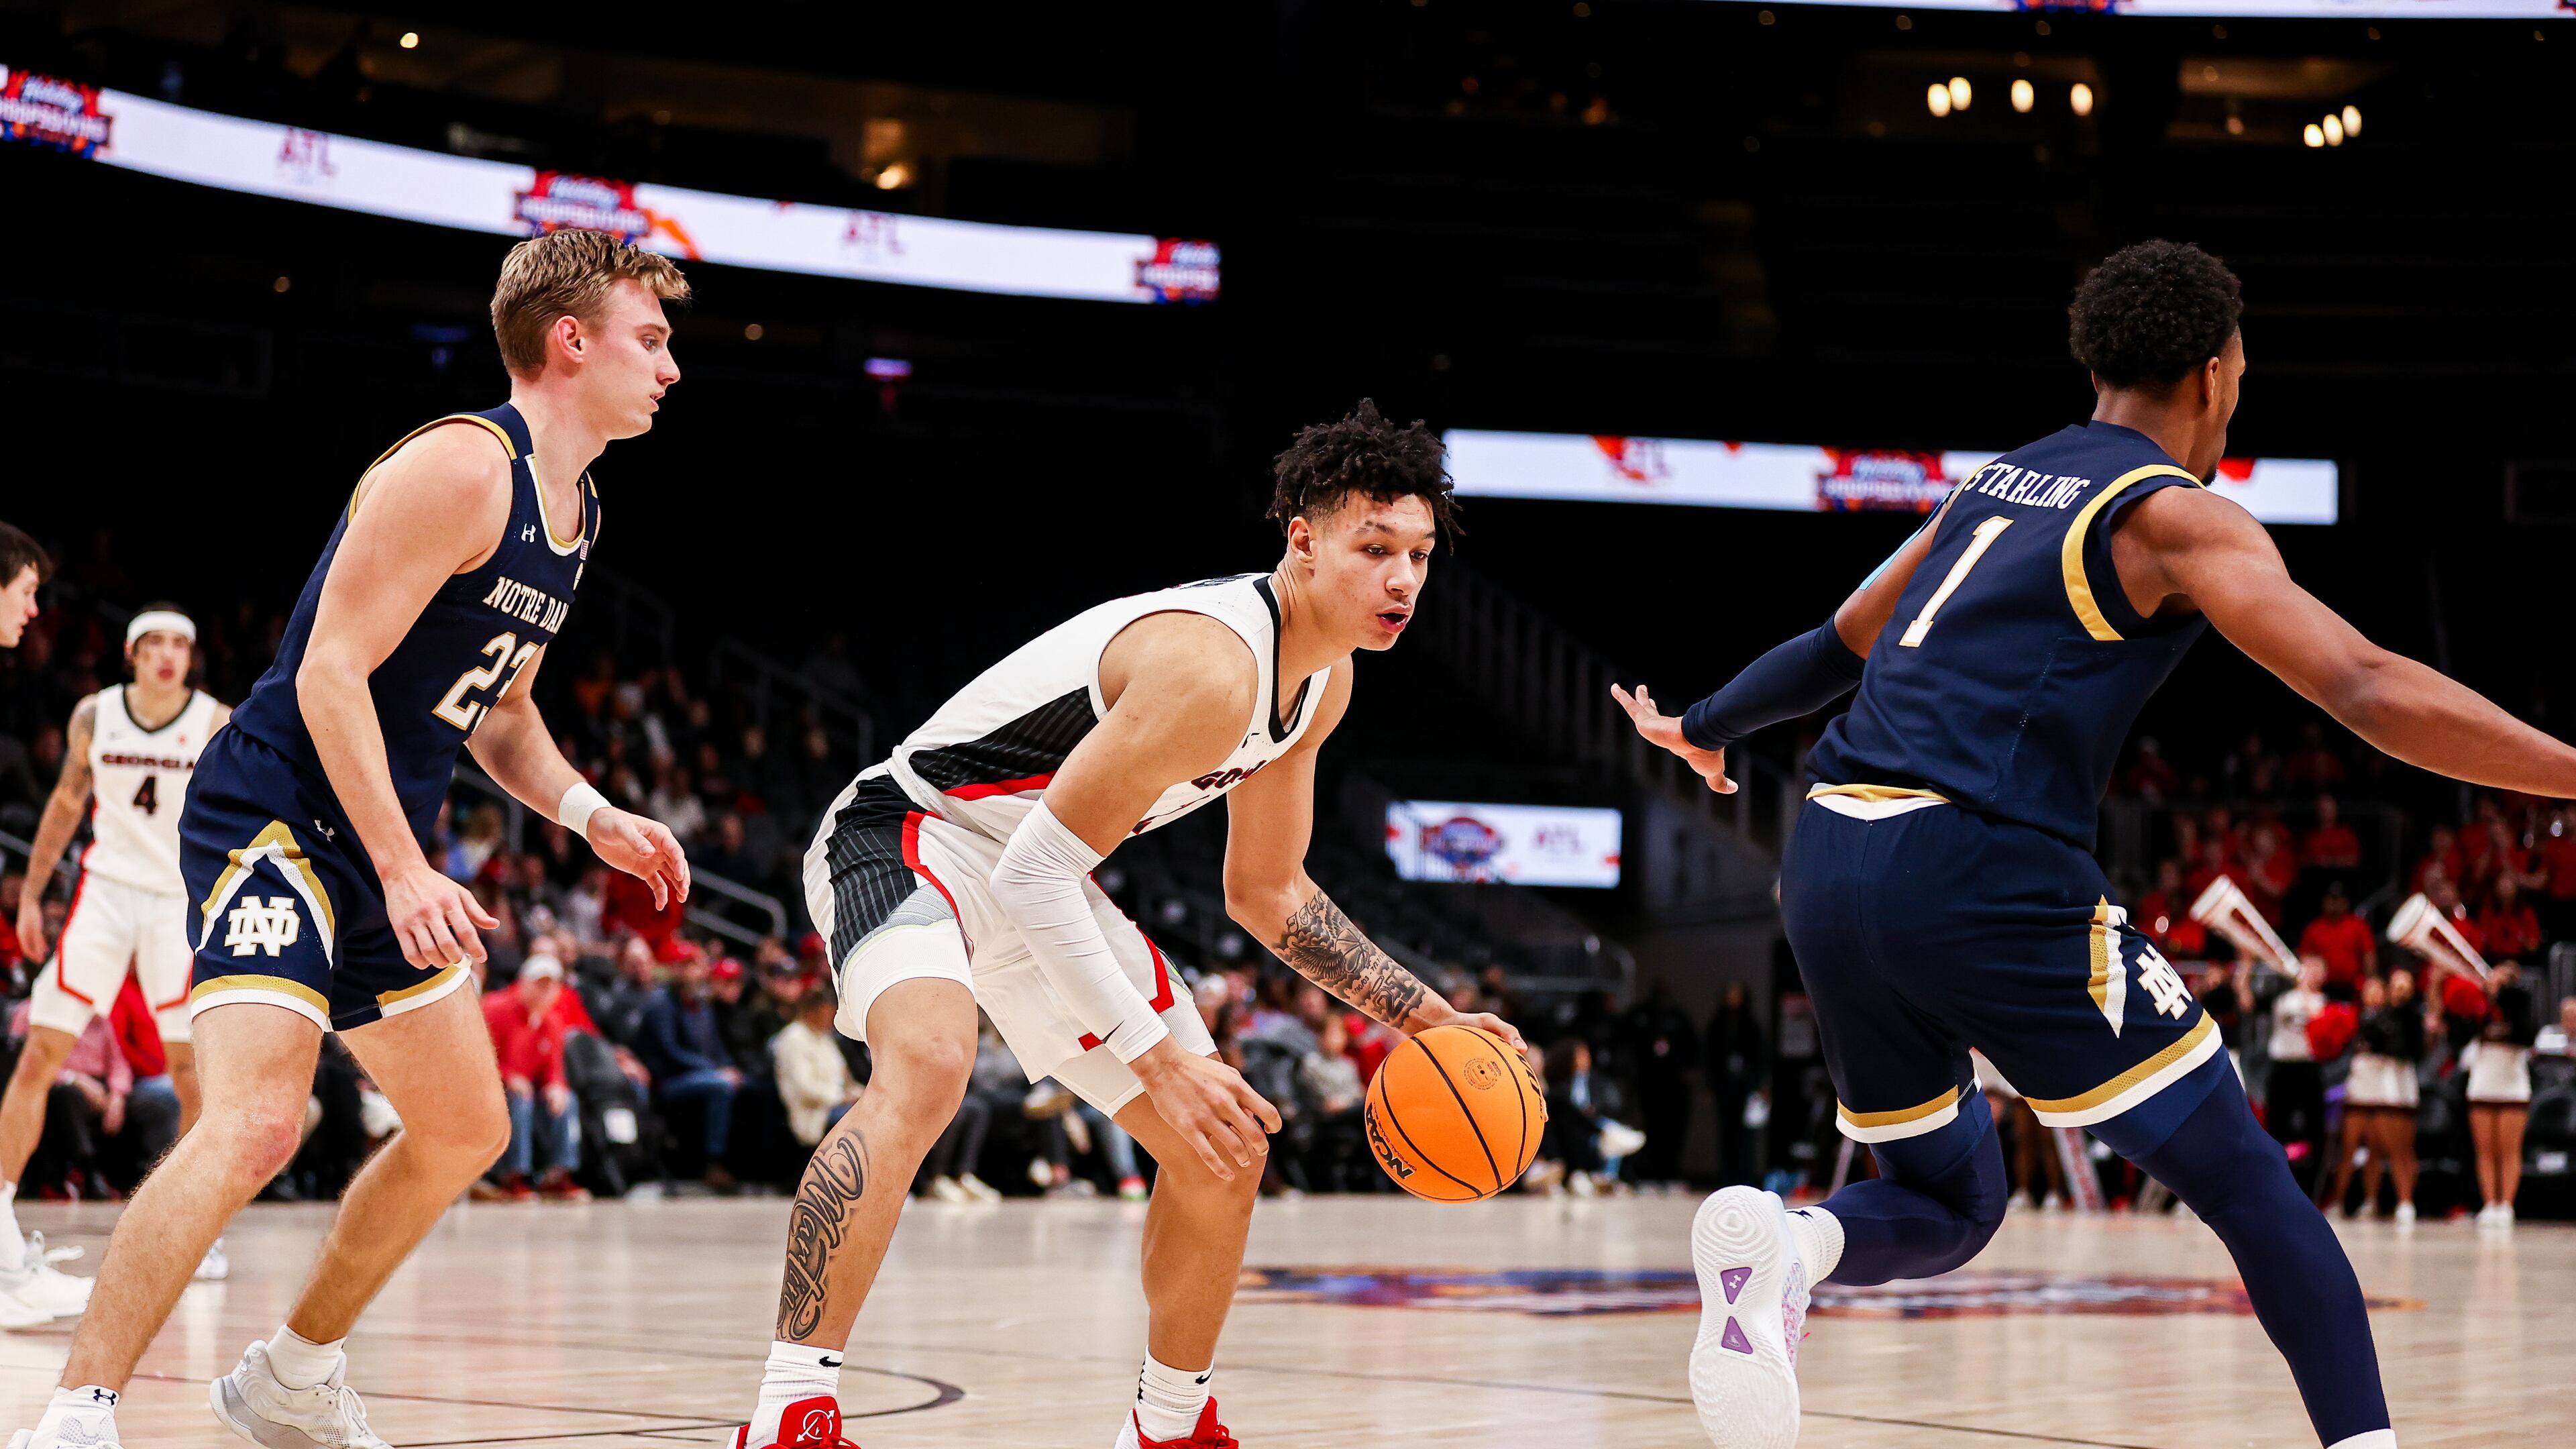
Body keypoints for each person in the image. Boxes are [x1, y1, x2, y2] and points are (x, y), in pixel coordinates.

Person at [1617, 239, 2576, 1449]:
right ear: (2217, 375)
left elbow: (1840, 640)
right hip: (1973, 865)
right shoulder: (2173, 517)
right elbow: (2365, 685)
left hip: (1825, 852)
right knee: (2244, 1178)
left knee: (1950, 1198)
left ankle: (1792, 1251)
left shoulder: (1990, 485)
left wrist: (1701, 727)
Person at [17, 230, 694, 1449]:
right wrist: (399, 862)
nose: (671, 367)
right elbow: (330, 672)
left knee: (469, 1128)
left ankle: (291, 1371)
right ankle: (76, 1411)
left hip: (384, 832)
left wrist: (593, 814)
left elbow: (504, 711)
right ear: (569, 340)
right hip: (276, 808)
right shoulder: (461, 465)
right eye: (652, 339)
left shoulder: (578, 510)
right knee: (260, 1123)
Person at [737, 401, 1521, 1449]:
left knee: (1224, 1147)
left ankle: (1169, 1425)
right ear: (1303, 539)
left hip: (1035, 875)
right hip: (911, 832)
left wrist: (1424, 1014)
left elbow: (1267, 892)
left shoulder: (1320, 685)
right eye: (1374, 548)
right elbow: (1032, 869)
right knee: (928, 1064)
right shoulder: (1214, 664)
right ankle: (790, 1411)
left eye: (1418, 556)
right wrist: (1157, 1062)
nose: (1402, 580)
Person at [3, 605, 229, 1308]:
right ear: (130, 654)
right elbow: (66, 803)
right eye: (154, 643)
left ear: (191, 658)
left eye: (179, 645)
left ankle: (195, 1226)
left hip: (176, 901)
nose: (167, 655)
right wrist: (32, 894)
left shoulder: (215, 720)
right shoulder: (94, 715)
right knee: (42, 1053)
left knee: (193, 1069)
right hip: (103, 894)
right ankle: (1, 1222)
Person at [477, 953, 587, 1201]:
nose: (544, 991)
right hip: (492, 1088)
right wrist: (508, 1076)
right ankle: (512, 1176)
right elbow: (479, 1057)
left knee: (566, 1101)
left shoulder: (552, 1021)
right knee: (520, 1102)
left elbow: (553, 1068)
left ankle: (558, 1174)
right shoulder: (495, 1008)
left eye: (551, 986)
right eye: (539, 984)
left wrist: (556, 1086)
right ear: (523, 983)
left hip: (527, 1088)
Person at [2327, 973, 2422, 1224]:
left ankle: (2405, 1201)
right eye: (2369, 990)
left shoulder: (2400, 1016)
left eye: (2378, 990)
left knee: (2395, 1145)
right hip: (2361, 1080)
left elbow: (2408, 1047)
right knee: (2353, 1146)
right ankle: (2347, 1200)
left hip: (2389, 1081)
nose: (2374, 995)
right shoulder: (2355, 1017)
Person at [2465, 961, 2536, 1230]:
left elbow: (2527, 1034)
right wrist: (2485, 998)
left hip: (2512, 1082)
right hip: (2483, 1081)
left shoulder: (2521, 1004)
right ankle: (2489, 1203)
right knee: (2485, 1149)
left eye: (2506, 979)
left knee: (2509, 1148)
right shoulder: (2481, 1004)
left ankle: (2506, 1205)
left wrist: (2503, 996)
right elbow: (2465, 1033)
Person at [773, 986, 862, 1155]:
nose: (830, 1019)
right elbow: (804, 1088)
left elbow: (846, 1080)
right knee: (862, 1122)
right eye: (826, 1013)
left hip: (839, 1103)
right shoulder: (793, 1038)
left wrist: (864, 1096)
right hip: (813, 1114)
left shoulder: (825, 1037)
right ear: (811, 1011)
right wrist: (841, 1098)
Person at [2295, 883, 2374, 1002]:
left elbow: (2369, 955)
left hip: (2352, 988)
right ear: (2324, 902)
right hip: (2322, 989)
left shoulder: (2358, 926)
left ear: (2346, 902)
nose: (2334, 904)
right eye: (2331, 900)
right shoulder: (2314, 928)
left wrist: (2370, 980)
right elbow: (2305, 959)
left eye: (2338, 900)